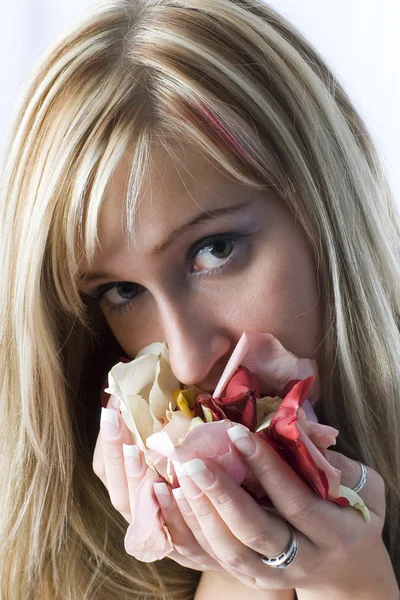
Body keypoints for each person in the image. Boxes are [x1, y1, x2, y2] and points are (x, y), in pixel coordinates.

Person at [0, 0, 399, 597]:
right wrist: (242, 576)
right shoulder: (68, 571)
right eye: (122, 290)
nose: (188, 363)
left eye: (214, 250)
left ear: (327, 211)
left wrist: (352, 584)